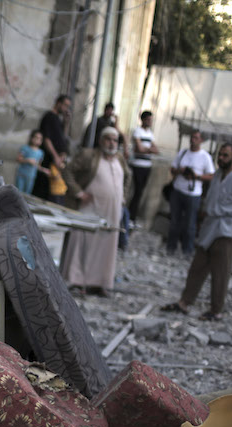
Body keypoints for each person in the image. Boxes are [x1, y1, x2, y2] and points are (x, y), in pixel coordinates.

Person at [162, 143, 232, 320]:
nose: (221, 158)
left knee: (220, 271)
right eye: (220, 155)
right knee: (198, 266)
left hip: (227, 228)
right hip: (211, 225)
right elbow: (211, 199)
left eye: (225, 155)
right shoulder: (218, 174)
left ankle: (216, 310)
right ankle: (185, 302)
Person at [59, 127, 132, 296]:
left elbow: (128, 177)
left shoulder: (120, 159)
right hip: (90, 208)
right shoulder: (88, 155)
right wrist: (79, 193)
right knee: (84, 243)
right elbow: (67, 171)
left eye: (115, 140)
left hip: (112, 210)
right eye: (108, 139)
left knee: (107, 247)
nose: (112, 143)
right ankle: (78, 281)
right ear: (101, 140)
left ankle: (100, 283)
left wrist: (123, 196)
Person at [166, 130, 214, 255]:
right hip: (178, 190)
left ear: (201, 140)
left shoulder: (205, 157)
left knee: (190, 223)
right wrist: (180, 171)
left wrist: (196, 176)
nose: (193, 140)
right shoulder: (183, 153)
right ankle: (171, 247)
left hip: (193, 194)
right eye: (192, 137)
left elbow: (211, 176)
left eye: (196, 138)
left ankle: (187, 249)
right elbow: (172, 169)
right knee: (174, 221)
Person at [33, 95, 71, 200]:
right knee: (42, 189)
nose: (66, 108)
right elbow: (47, 139)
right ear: (58, 103)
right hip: (48, 160)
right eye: (65, 105)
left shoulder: (58, 119)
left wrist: (66, 123)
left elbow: (62, 137)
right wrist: (55, 156)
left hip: (56, 162)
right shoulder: (49, 117)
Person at [128, 110, 159, 224]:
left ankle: (133, 216)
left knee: (140, 192)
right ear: (143, 120)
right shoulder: (138, 131)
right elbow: (139, 149)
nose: (150, 122)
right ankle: (130, 216)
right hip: (137, 165)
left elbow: (156, 150)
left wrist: (146, 149)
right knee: (137, 191)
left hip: (147, 166)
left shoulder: (150, 134)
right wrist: (148, 149)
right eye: (149, 120)